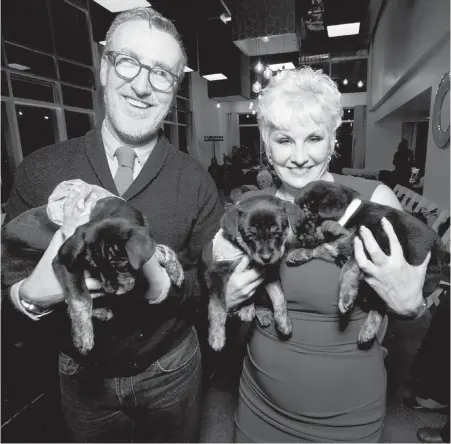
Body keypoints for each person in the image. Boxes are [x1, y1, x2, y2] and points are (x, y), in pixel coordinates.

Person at [2, 7, 224, 443]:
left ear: (175, 88)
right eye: (128, 62)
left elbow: (207, 283)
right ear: (104, 68)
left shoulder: (196, 180)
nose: (142, 85)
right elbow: (6, 275)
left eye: (161, 73)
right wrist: (31, 296)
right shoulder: (39, 170)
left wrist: (162, 284)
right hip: (82, 373)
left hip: (171, 367)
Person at [222, 67, 430, 442]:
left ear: (333, 140)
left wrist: (411, 307)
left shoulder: (370, 201)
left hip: (348, 413)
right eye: (284, 140)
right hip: (259, 406)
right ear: (267, 146)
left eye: (314, 138)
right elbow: (234, 309)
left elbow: (412, 317)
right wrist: (229, 300)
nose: (299, 157)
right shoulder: (253, 211)